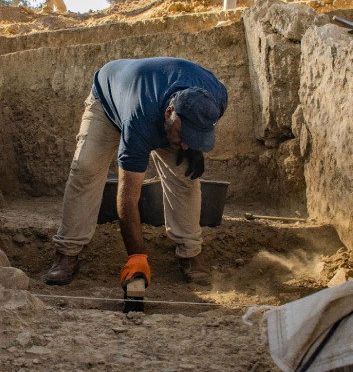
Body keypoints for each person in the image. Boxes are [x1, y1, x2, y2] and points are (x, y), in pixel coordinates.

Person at [44, 57, 229, 290]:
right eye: (184, 135)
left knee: (185, 178)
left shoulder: (216, 98)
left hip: (151, 97)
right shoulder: (139, 119)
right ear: (169, 112)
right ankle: (67, 251)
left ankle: (190, 253)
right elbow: (128, 197)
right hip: (108, 101)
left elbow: (193, 129)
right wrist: (137, 257)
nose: (184, 144)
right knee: (85, 169)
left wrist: (194, 147)